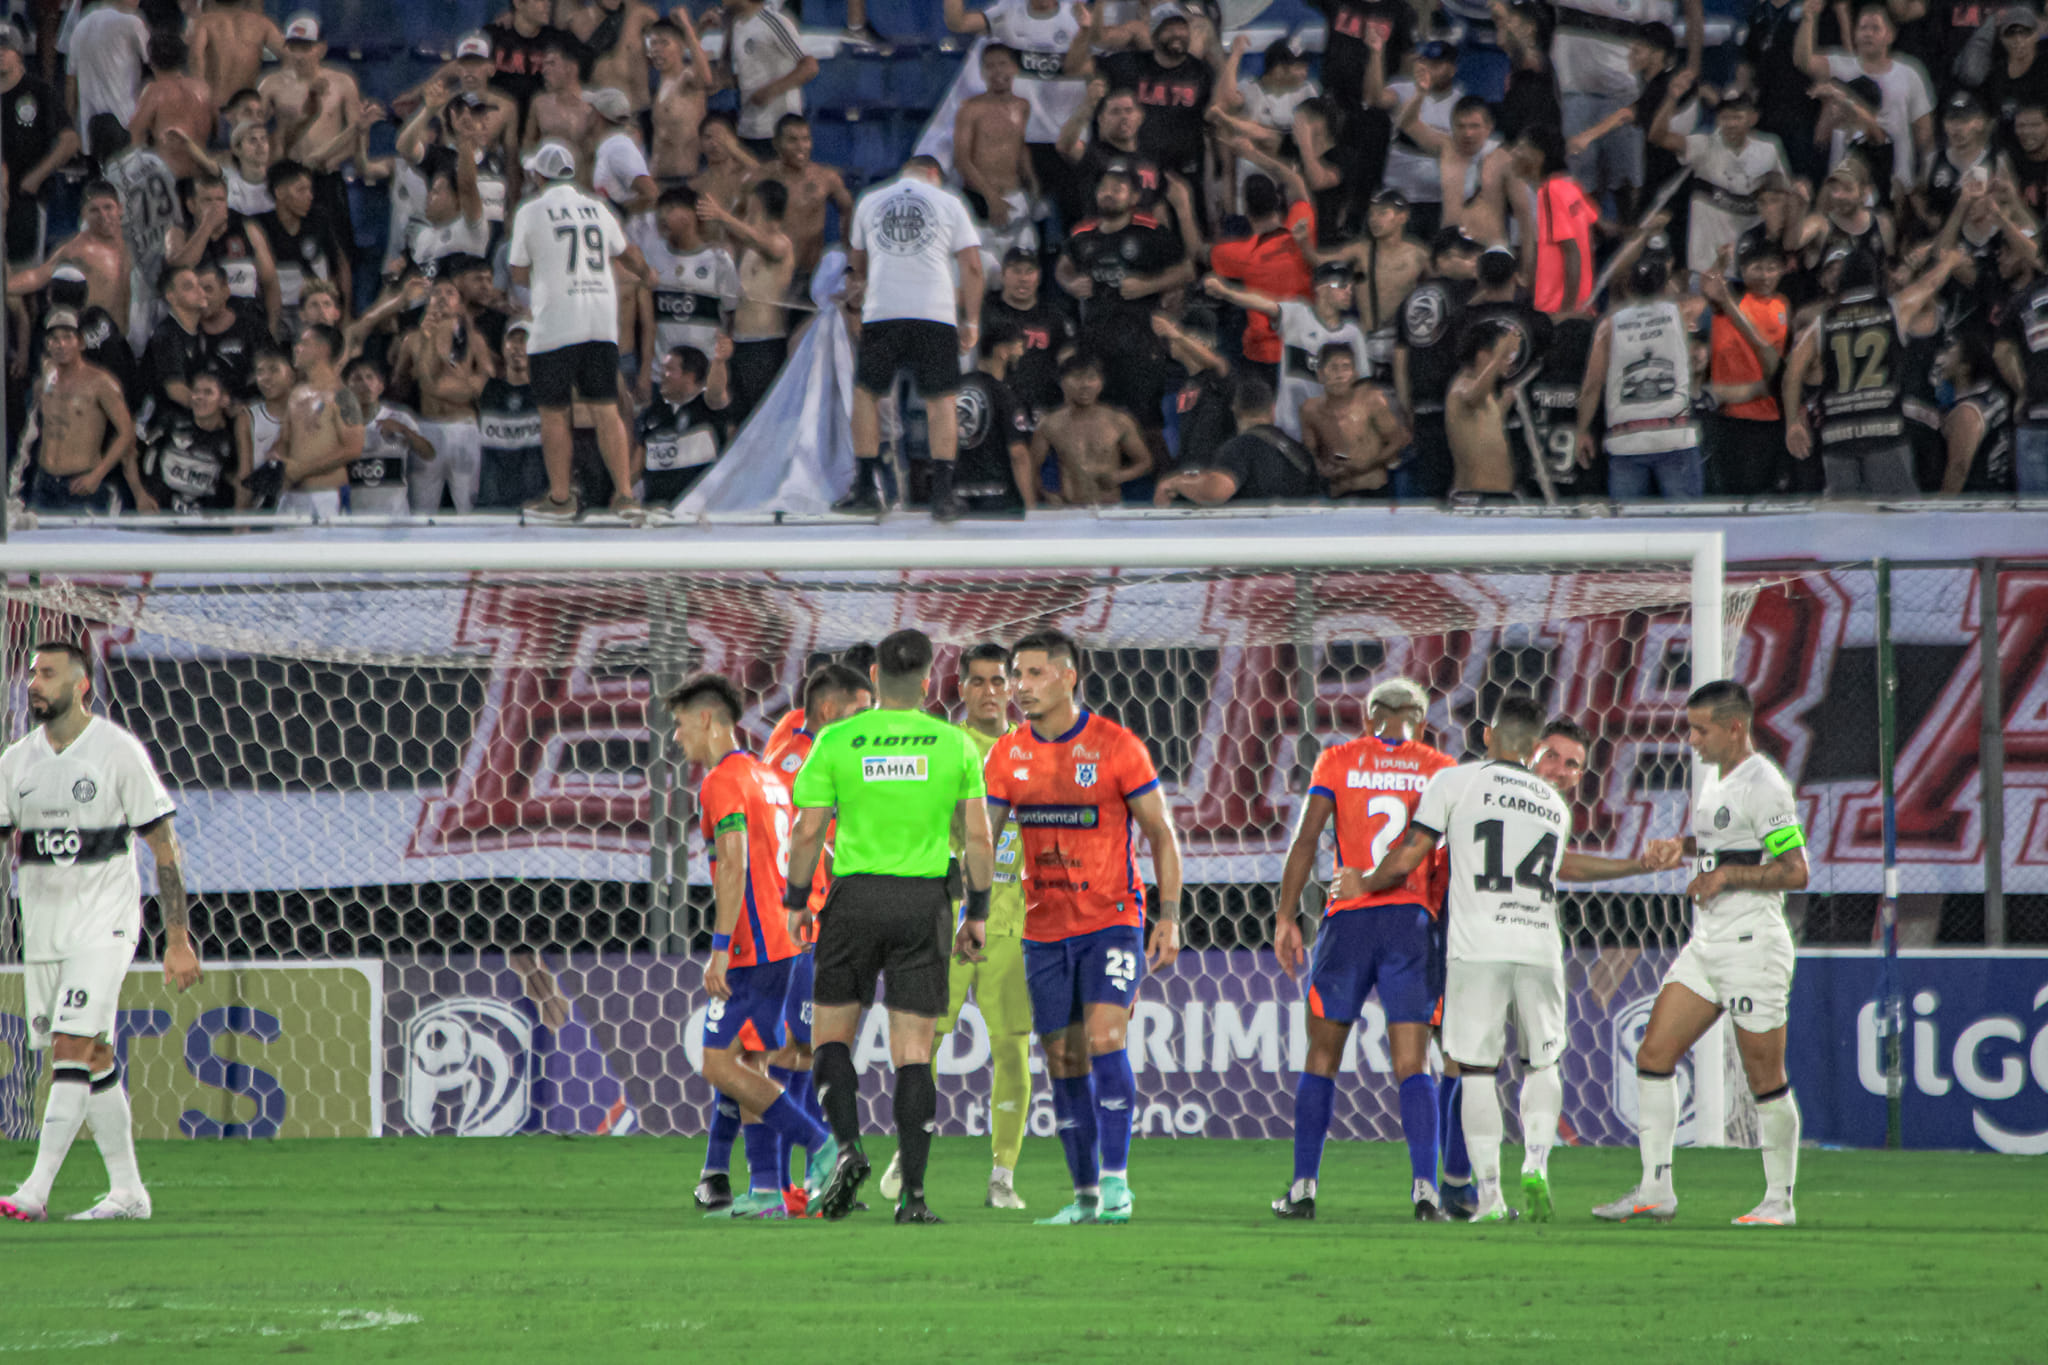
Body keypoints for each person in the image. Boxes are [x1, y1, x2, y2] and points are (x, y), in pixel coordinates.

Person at [1359, 694, 1668, 1224]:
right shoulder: (1555, 808)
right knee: (1542, 1063)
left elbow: (1410, 855)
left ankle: (1492, 1195)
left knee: (1476, 1070)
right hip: (1539, 945)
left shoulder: (1455, 781)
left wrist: (1362, 883)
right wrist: (1634, 864)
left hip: (1478, 946)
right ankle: (1538, 1164)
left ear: (1486, 738)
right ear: (1533, 751)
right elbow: (1558, 868)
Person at [786, 629, 995, 1224]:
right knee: (913, 1054)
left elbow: (807, 832)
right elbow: (979, 838)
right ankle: (915, 1197)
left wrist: (797, 899)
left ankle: (849, 1148)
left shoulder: (838, 739)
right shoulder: (954, 745)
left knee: (830, 1040)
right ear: (929, 682)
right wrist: (976, 913)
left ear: (873, 677)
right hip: (922, 901)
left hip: (853, 899)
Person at [983, 628, 1184, 1226]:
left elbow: (1160, 834)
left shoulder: (1116, 746)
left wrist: (1168, 916)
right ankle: (1086, 1195)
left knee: (1104, 1039)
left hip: (1110, 920)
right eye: (1017, 674)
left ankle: (1119, 1184)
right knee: (1063, 1057)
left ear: (1069, 677)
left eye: (1034, 674)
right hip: (1042, 926)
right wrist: (968, 906)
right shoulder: (1007, 755)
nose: (1020, 687)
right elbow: (983, 838)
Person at [1595, 680, 1808, 1227]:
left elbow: (1795, 871)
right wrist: (1683, 848)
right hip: (1708, 945)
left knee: (1765, 1078)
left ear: (1735, 727)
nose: (1691, 739)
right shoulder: (1718, 782)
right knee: (1653, 1055)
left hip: (1752, 945)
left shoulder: (1765, 786)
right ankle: (1654, 1190)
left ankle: (1779, 1201)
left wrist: (1725, 877)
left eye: (1701, 729)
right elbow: (1727, 844)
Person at [0, 640, 195, 1224]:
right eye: (32, 673)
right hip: (45, 930)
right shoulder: (14, 764)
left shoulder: (117, 752)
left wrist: (177, 937)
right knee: (93, 1053)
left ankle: (34, 1191)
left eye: (49, 674)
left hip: (106, 924)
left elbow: (163, 846)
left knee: (69, 1046)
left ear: (81, 685)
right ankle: (128, 1193)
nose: (35, 683)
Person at [1269, 678, 1455, 1221]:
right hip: (1410, 923)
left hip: (1348, 921)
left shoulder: (1338, 760)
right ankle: (1426, 1190)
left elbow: (1306, 841)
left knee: (1321, 1055)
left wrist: (1286, 917)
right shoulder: (1441, 767)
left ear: (1370, 716)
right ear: (1420, 720)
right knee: (1412, 1061)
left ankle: (1304, 1189)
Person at [670, 672, 835, 1221]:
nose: (676, 738)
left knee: (719, 1064)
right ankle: (766, 1190)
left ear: (707, 720)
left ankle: (824, 1147)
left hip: (752, 947)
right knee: (754, 1062)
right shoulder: (765, 775)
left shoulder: (721, 781)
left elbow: (734, 863)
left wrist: (719, 948)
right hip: (784, 943)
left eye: (678, 725)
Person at [507, 140, 654, 520]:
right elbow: (630, 254)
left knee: (555, 412)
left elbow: (518, 272)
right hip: (600, 324)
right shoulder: (598, 208)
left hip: (557, 322)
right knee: (606, 408)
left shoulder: (531, 210)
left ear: (540, 176)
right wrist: (647, 275)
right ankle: (624, 495)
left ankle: (560, 498)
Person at [842, 156, 985, 521]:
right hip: (934, 312)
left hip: (882, 313)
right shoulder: (950, 202)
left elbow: (857, 267)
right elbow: (972, 266)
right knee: (941, 401)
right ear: (934, 175)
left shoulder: (870, 200)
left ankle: (863, 488)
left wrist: (855, 310)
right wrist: (972, 321)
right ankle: (942, 496)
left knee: (866, 394)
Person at [1783, 247, 1919, 495]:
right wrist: (1948, 263)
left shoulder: (1822, 322)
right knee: (1899, 524)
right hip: (1885, 431)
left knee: (1845, 524)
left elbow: (1792, 372)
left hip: (1838, 436)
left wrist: (1793, 422)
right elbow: (1925, 289)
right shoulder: (1892, 310)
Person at [1574, 256, 1704, 500]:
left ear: (1630, 286)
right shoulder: (1682, 312)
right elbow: (1705, 295)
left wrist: (1582, 430)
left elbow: (1592, 385)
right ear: (1665, 287)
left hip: (1626, 440)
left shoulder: (1609, 325)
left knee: (1627, 529)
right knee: (1687, 525)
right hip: (1674, 436)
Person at [1202, 260, 1366, 438]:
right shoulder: (1297, 315)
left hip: (1332, 434)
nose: (1349, 290)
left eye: (1350, 285)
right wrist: (1226, 292)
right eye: (1341, 284)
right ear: (1321, 288)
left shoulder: (1353, 333)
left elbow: (1363, 386)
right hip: (1289, 430)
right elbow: (1263, 304)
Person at [1792, 1, 1934, 197]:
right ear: (1855, 33)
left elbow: (1925, 135)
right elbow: (1803, 61)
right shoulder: (1842, 65)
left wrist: (1925, 179)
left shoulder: (1910, 72)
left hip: (1895, 182)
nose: (1868, 33)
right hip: (1844, 182)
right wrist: (1808, 19)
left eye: (1875, 28)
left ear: (1890, 35)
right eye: (1863, 28)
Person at [1394, 225, 1481, 499]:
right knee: (1467, 494)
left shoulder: (1409, 300)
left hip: (1424, 409)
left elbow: (1400, 359)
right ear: (1440, 260)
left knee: (1429, 496)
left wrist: (1406, 405)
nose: (1473, 261)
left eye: (1474, 255)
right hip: (1464, 410)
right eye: (1464, 255)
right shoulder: (1474, 296)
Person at [697, 181, 792, 429]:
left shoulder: (781, 244)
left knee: (764, 420)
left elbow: (764, 243)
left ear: (757, 205)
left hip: (765, 346)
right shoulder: (749, 250)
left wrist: (721, 215)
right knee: (737, 419)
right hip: (740, 345)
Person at [24, 310, 136, 514]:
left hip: (81, 483)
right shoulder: (46, 378)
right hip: (44, 481)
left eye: (68, 337)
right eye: (54, 339)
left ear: (81, 343)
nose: (61, 344)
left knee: (82, 544)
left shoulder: (101, 382)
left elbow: (127, 432)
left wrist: (97, 474)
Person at [394, 281, 490, 513]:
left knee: (469, 508)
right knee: (421, 510)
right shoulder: (412, 340)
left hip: (464, 427)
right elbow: (399, 386)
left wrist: (434, 386)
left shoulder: (474, 340)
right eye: (436, 292)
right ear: (428, 302)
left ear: (460, 304)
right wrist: (427, 341)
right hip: (427, 428)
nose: (443, 297)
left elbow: (481, 386)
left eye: (450, 292)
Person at [1153, 374, 1319, 504]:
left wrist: (1175, 483)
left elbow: (1215, 492)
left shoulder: (1240, 448)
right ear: (1272, 409)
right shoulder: (1298, 450)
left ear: (1235, 409)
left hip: (1255, 539)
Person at [0, 21, 79, 270]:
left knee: (26, 270)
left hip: (27, 198)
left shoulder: (39, 92)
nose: (0, 53)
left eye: (6, 48)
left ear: (19, 53)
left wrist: (37, 176)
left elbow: (70, 141)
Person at [954, 45, 1040, 269]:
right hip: (981, 198)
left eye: (1002, 64)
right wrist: (991, 198)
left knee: (1022, 265)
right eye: (990, 66)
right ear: (982, 73)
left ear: (1014, 68)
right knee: (983, 268)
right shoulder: (971, 109)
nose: (997, 71)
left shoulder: (1022, 106)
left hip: (1015, 196)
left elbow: (1019, 147)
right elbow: (962, 160)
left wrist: (1032, 182)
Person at [1028, 351, 1154, 504]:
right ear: (1062, 383)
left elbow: (1145, 462)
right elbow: (1030, 469)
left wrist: (1119, 476)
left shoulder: (1118, 421)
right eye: (1077, 378)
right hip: (1071, 508)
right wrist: (1047, 494)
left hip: (1109, 508)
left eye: (1091, 378)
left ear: (1101, 383)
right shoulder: (1049, 425)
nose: (1085, 385)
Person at [273, 322, 364, 518]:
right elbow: (285, 440)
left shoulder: (343, 396)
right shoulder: (296, 393)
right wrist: (278, 459)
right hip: (293, 495)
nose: (297, 347)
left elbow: (353, 448)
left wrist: (303, 469)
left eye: (304, 343)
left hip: (328, 496)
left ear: (323, 349)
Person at [745, 113, 853, 277]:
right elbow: (740, 215)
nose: (801, 146)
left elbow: (848, 209)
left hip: (810, 271)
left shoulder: (827, 178)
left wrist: (848, 248)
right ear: (777, 143)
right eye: (792, 140)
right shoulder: (760, 178)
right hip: (771, 269)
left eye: (806, 139)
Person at [945, 319, 1034, 513]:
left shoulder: (954, 389)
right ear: (1002, 352)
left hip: (956, 495)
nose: (1021, 354)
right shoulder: (1004, 394)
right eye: (1018, 348)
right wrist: (1030, 505)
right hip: (996, 497)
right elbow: (1018, 453)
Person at [982, 247, 1076, 431]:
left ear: (1039, 276)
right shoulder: (987, 312)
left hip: (1045, 409)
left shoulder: (1054, 316)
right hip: (997, 407)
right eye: (1016, 271)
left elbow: (1069, 361)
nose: (1023, 278)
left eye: (1029, 271)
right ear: (1003, 274)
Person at [1300, 343, 1407, 496]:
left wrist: (1368, 463)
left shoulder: (1372, 402)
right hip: (1338, 492)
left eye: (1345, 367)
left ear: (1355, 373)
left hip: (1373, 488)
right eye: (1333, 368)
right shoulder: (1310, 411)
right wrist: (1323, 469)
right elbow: (1310, 452)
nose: (1340, 375)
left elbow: (1399, 439)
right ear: (1320, 375)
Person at [1516, 124, 1599, 317]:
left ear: (1538, 157)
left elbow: (1572, 253)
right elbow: (1595, 224)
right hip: (1578, 302)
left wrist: (1568, 310)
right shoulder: (1568, 186)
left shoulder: (1551, 192)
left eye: (1521, 148)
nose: (1515, 153)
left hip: (1559, 307)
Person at [634, 340, 731, 504]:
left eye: (670, 370)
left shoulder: (708, 408)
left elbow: (716, 392)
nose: (662, 375)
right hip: (655, 509)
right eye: (663, 369)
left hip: (699, 508)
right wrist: (622, 491)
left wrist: (719, 361)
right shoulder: (652, 412)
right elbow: (638, 461)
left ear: (689, 376)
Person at [720, 0, 818, 154]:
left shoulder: (773, 21)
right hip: (749, 128)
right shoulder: (737, 25)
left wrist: (770, 91)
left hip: (778, 130)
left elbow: (809, 67)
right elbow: (732, 79)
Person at [137, 369, 239, 513]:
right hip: (160, 520)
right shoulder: (170, 424)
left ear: (224, 399)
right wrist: (141, 494)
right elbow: (137, 457)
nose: (199, 397)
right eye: (196, 391)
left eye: (208, 392)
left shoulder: (234, 441)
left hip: (211, 526)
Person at [1445, 319, 1521, 499]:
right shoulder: (1460, 387)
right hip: (1474, 498)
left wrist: (1504, 403)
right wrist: (1497, 358)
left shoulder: (1487, 396)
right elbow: (1472, 396)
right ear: (1483, 355)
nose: (1508, 363)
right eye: (1505, 356)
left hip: (1499, 496)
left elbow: (1484, 431)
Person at [1934, 330, 2016, 494]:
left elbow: (1959, 468)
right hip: (2001, 495)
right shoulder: (1996, 395)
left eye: (1949, 351)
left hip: (1975, 502)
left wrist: (1940, 510)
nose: (1940, 359)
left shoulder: (1967, 412)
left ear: (1965, 367)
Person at [476, 322, 548, 508]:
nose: (518, 347)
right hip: (492, 500)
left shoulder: (548, 394)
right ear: (502, 347)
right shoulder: (486, 389)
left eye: (525, 341)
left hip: (535, 500)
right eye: (512, 341)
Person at [127, 32, 215, 180]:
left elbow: (134, 136)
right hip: (202, 174)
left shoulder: (154, 92)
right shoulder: (203, 89)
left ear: (151, 62)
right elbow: (216, 130)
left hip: (170, 178)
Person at [65, 0, 148, 154]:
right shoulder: (132, 23)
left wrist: (71, 127)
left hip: (89, 134)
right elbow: (157, 63)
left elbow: (70, 82)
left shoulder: (81, 26)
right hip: (125, 126)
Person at [189, 0, 287, 109]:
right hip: (244, 107)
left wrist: (199, 88)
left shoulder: (205, 22)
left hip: (214, 104)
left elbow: (196, 58)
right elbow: (288, 53)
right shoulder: (261, 24)